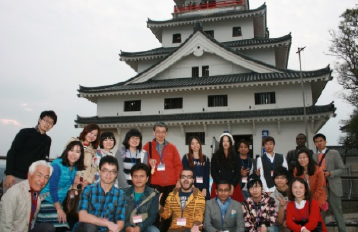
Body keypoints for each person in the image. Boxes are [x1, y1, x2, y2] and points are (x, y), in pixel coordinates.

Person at [3, 110, 57, 193]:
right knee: (9, 204)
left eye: (51, 123)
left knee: (25, 205)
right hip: (15, 176)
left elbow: (43, 160)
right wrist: (9, 174)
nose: (47, 124)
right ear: (40, 120)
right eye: (45, 120)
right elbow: (12, 152)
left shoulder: (48, 140)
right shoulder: (25, 132)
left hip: (31, 179)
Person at [36, 140, 85, 230]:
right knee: (62, 226)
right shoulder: (57, 165)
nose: (74, 154)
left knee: (72, 219)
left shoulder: (74, 167)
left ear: (81, 155)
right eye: (71, 150)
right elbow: (53, 188)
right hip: (47, 200)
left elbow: (67, 185)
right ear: (67, 151)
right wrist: (59, 209)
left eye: (77, 152)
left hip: (58, 201)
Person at [142, 122, 182, 231]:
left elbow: (178, 165)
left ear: (166, 133)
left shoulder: (172, 147)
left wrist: (178, 181)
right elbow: (141, 163)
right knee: (154, 212)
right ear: (153, 132)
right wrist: (148, 161)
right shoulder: (147, 146)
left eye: (163, 132)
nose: (160, 134)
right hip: (155, 185)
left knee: (168, 213)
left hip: (171, 185)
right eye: (158, 132)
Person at [73, 156, 126, 232]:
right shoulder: (88, 190)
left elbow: (120, 223)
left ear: (116, 174)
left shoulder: (120, 195)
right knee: (90, 228)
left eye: (112, 171)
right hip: (85, 228)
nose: (109, 174)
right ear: (99, 172)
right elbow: (83, 216)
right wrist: (107, 223)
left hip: (107, 230)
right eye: (105, 170)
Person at [0, 160, 54, 232]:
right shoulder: (14, 193)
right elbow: (5, 226)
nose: (42, 180)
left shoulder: (35, 194)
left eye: (46, 177)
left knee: (49, 228)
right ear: (29, 175)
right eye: (39, 175)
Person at [312, 133, 346, 232]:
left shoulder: (334, 153)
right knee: (320, 214)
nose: (319, 143)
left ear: (325, 142)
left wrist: (330, 173)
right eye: (317, 142)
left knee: (337, 212)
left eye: (321, 141)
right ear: (314, 143)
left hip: (333, 188)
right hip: (321, 189)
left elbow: (342, 169)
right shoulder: (314, 156)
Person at [159, 168, 206, 232]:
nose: (186, 180)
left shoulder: (199, 196)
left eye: (189, 177)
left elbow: (199, 215)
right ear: (179, 180)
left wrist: (195, 225)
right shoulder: (172, 195)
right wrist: (159, 207)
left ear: (193, 180)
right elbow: (166, 215)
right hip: (174, 229)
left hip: (191, 229)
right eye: (183, 177)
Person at [124, 163, 160, 232]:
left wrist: (139, 227)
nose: (138, 179)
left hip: (145, 226)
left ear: (147, 178)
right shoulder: (124, 194)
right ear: (132, 178)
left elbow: (152, 217)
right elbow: (121, 216)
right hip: (127, 227)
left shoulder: (153, 194)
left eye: (142, 176)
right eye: (135, 176)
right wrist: (127, 227)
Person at [211, 132, 244, 202]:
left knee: (234, 207)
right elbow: (214, 172)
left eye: (227, 141)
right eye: (223, 141)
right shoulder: (215, 156)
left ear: (231, 143)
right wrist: (220, 185)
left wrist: (232, 185)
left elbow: (237, 173)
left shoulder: (236, 157)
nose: (225, 143)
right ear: (221, 143)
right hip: (218, 185)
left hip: (233, 186)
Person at [67, 123, 101, 187]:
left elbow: (94, 167)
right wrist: (75, 175)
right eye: (91, 132)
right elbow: (66, 159)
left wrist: (88, 180)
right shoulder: (73, 142)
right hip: (69, 179)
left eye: (95, 135)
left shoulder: (94, 150)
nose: (92, 136)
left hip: (83, 184)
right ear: (86, 131)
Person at [271, 167, 291, 232]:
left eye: (282, 178)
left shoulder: (294, 192)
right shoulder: (271, 197)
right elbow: (278, 220)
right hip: (280, 224)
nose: (279, 180)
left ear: (287, 180)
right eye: (277, 178)